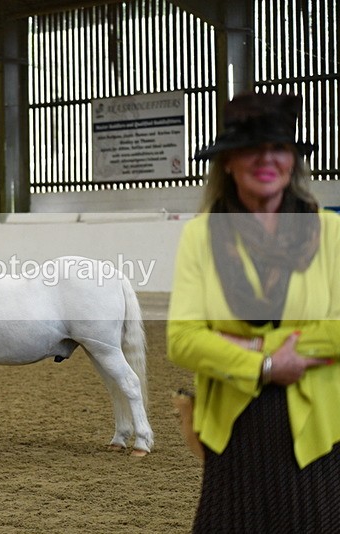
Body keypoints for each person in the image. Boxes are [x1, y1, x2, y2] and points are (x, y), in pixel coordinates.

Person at [167, 92, 340, 533]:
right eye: (251, 149)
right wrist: (264, 365)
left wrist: (257, 345)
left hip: (316, 432)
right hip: (233, 433)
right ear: (227, 162)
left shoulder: (330, 233)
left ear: (292, 161)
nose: (266, 159)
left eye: (278, 148)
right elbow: (183, 339)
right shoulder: (201, 237)